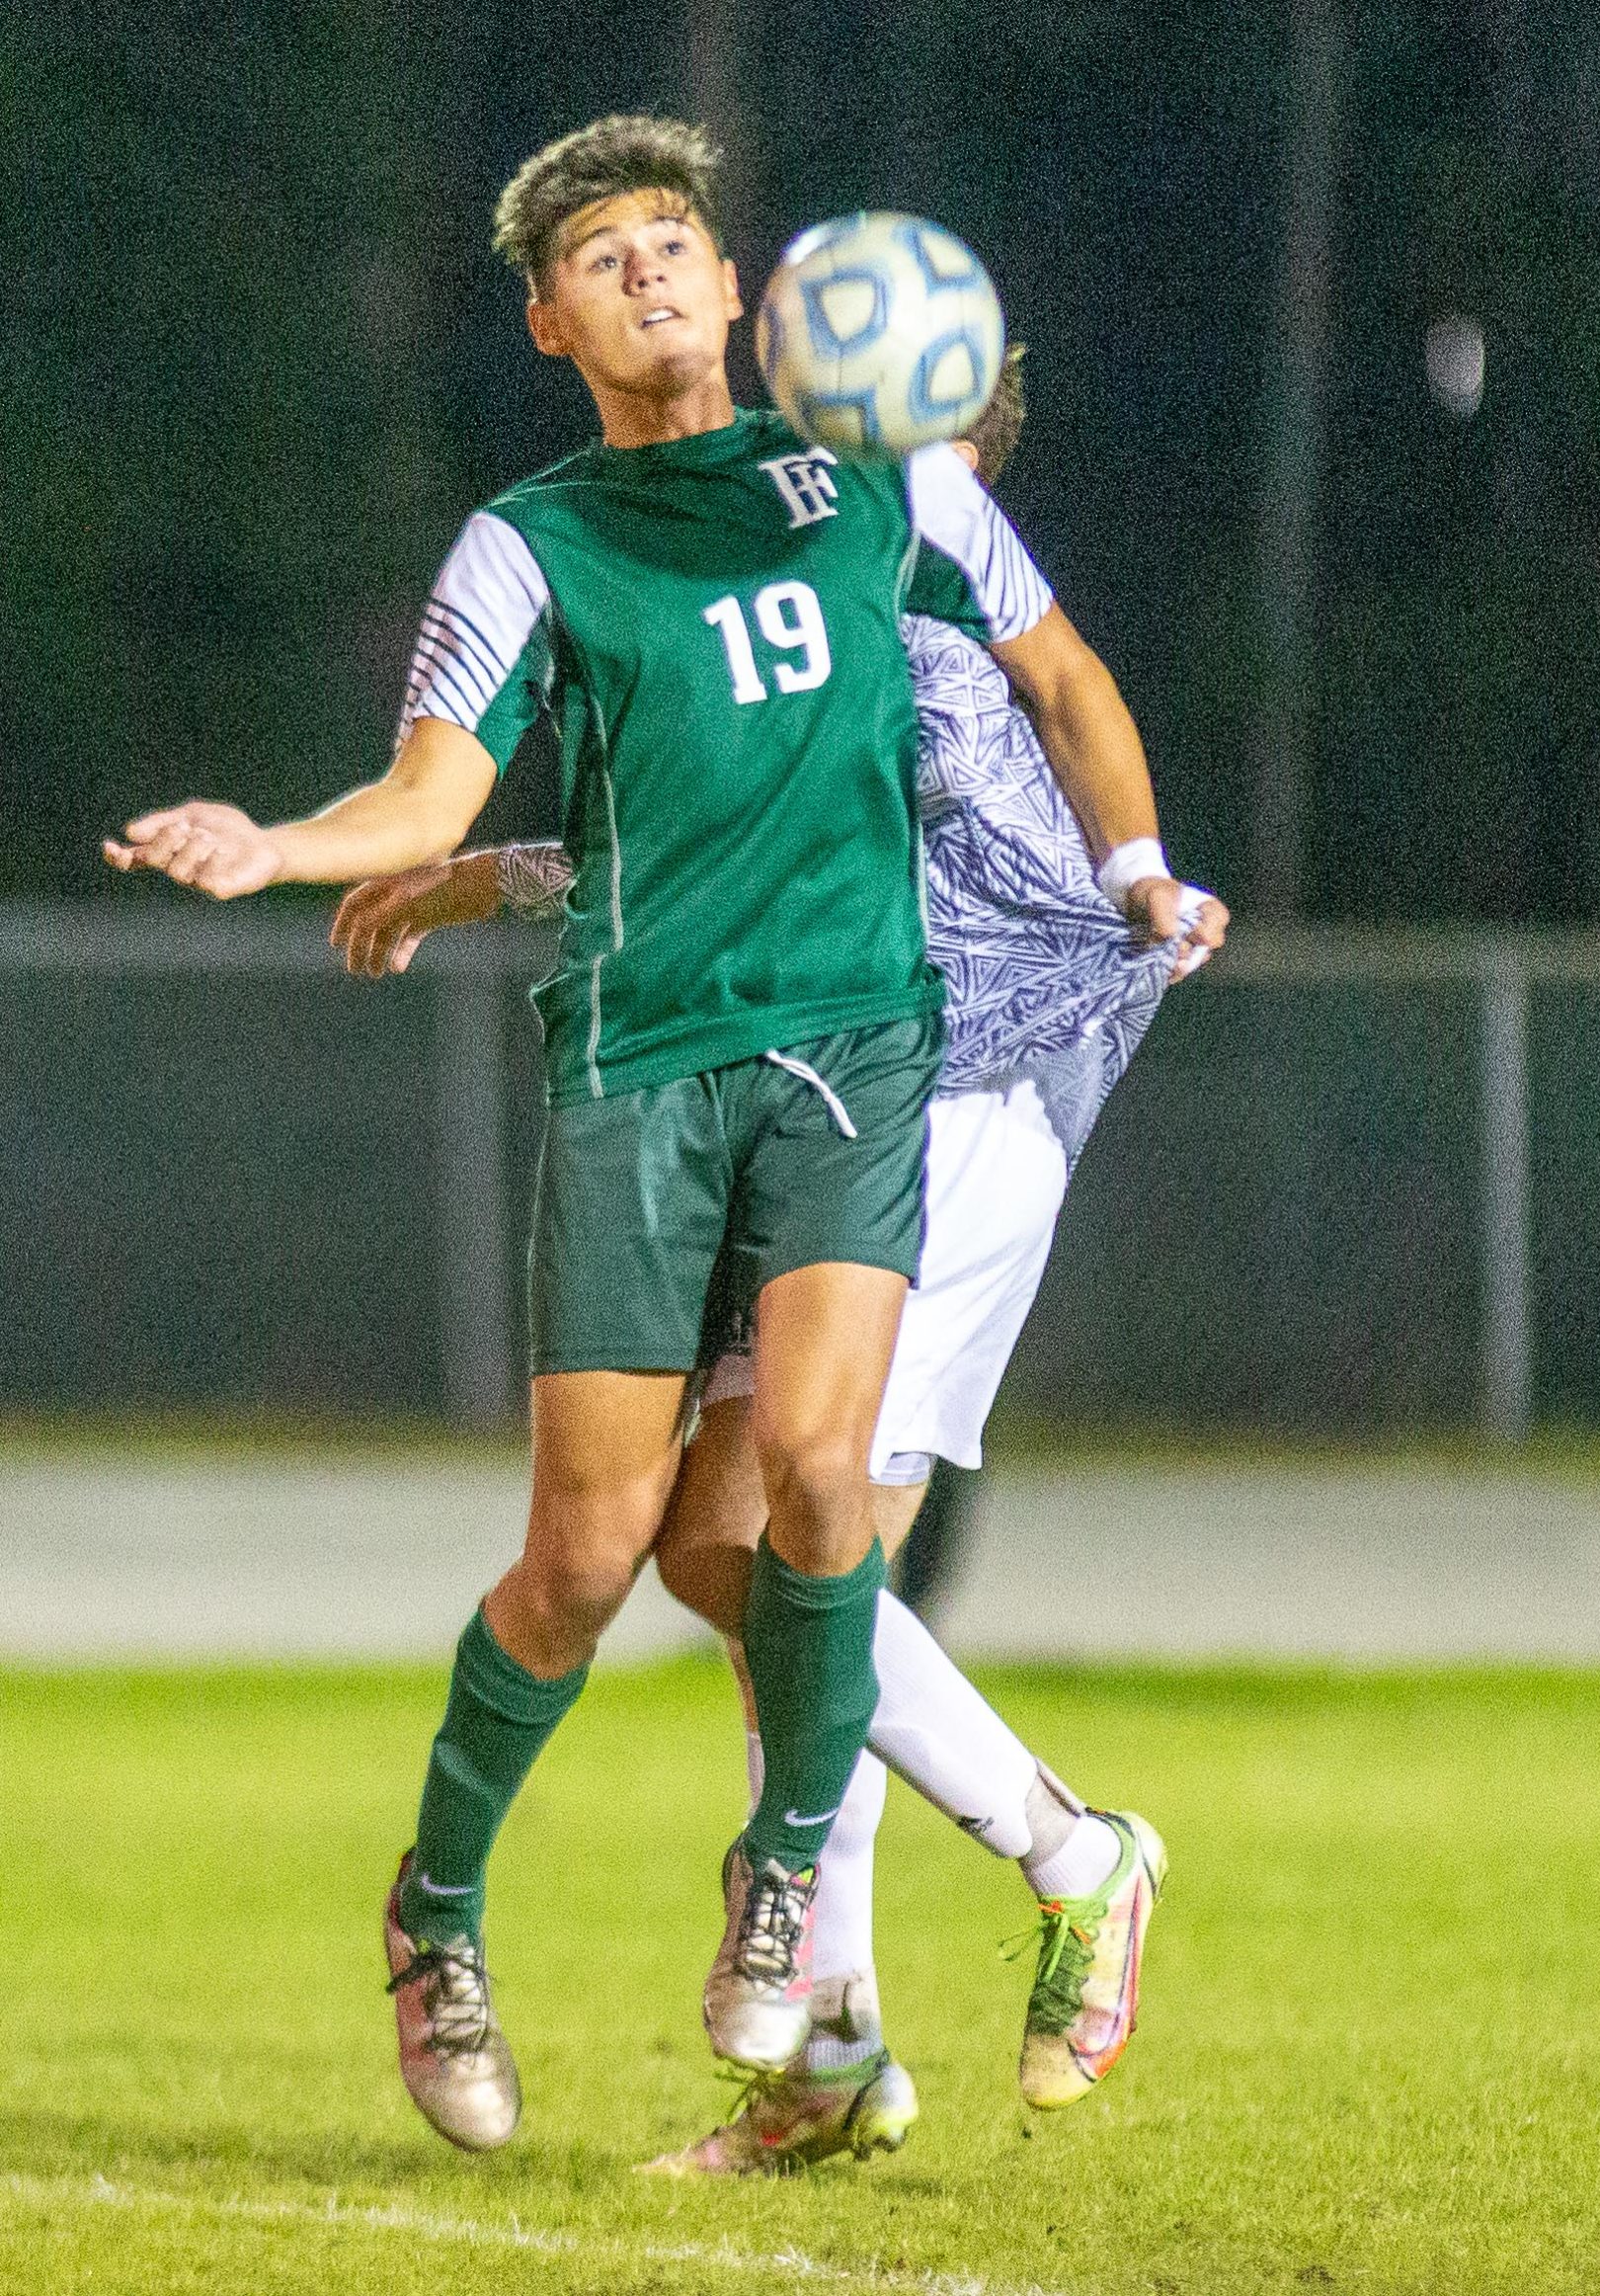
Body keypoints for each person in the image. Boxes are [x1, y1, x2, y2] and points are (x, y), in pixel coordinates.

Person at [101, 114, 1214, 2156]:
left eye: (680, 238)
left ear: (756, 298)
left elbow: (1018, 750)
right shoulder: (561, 540)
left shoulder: (884, 515)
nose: (651, 271)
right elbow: (661, 828)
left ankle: (1017, 1884)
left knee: (805, 1503)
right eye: (601, 254)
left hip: (937, 1081)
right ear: (547, 317)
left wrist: (1144, 879)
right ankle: (804, 2018)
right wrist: (344, 854)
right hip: (683, 1067)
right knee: (676, 1546)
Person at [334, 348, 1227, 2172]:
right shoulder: (825, 599)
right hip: (853, 1103)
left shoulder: (920, 623)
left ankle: (1073, 1858)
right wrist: (473, 880)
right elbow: (715, 853)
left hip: (964, 1109)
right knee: (743, 1570)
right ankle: (835, 2053)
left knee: (786, 1559)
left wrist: (1140, 883)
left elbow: (839, 847)